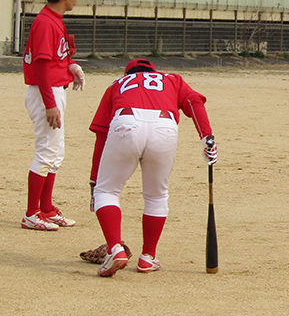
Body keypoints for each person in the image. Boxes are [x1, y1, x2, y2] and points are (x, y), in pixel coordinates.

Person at [88, 58, 218, 277]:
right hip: (165, 127)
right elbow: (194, 101)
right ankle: (148, 257)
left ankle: (115, 249)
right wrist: (207, 136)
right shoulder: (172, 79)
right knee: (157, 195)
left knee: (106, 191)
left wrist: (94, 181)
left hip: (125, 123)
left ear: (129, 73)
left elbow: (101, 133)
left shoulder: (117, 84)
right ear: (153, 72)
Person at [21, 0, 88, 231]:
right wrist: (50, 103)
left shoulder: (54, 19)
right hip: (44, 92)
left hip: (52, 89)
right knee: (47, 152)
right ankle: (31, 213)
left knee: (56, 153)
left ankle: (46, 209)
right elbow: (40, 66)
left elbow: (57, 57)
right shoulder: (47, 22)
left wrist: (70, 66)